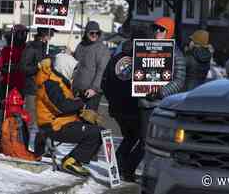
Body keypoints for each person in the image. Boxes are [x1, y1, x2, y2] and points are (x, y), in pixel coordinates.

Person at [35, 53, 103, 177]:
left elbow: (65, 105)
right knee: (96, 133)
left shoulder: (60, 80)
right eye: (73, 69)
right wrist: (81, 102)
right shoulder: (51, 83)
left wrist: (82, 112)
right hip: (53, 126)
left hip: (62, 122)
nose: (75, 73)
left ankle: (75, 159)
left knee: (99, 129)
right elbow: (62, 106)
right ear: (65, 67)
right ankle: (71, 161)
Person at [101, 29, 147, 182]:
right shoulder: (142, 60)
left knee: (130, 137)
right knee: (143, 139)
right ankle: (126, 168)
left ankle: (120, 167)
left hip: (117, 107)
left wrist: (112, 100)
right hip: (133, 107)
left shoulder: (116, 58)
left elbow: (104, 82)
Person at [138, 17, 186, 160]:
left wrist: (161, 92)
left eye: (162, 29)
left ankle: (152, 173)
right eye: (155, 28)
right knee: (142, 140)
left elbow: (179, 79)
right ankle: (127, 169)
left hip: (161, 105)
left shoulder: (175, 53)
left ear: (169, 32)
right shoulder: (145, 48)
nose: (157, 32)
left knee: (157, 143)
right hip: (144, 102)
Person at [0, 25, 28, 148]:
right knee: (4, 112)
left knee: (17, 114)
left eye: (24, 34)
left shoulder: (26, 50)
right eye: (20, 34)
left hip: (20, 87)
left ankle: (14, 139)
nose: (23, 36)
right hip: (5, 85)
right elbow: (0, 65)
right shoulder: (7, 50)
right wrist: (7, 66)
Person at [20, 27, 55, 149]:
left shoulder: (46, 48)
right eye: (50, 34)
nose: (52, 37)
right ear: (44, 35)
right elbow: (23, 67)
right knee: (31, 121)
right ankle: (26, 146)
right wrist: (38, 66)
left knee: (43, 120)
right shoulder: (31, 48)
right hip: (32, 90)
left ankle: (41, 148)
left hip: (44, 90)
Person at [73, 21, 111, 111]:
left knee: (88, 119)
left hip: (91, 92)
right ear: (86, 33)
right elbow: (74, 65)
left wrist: (94, 88)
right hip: (78, 90)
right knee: (76, 120)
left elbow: (102, 71)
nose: (94, 35)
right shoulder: (80, 46)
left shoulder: (102, 49)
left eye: (97, 33)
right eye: (91, 33)